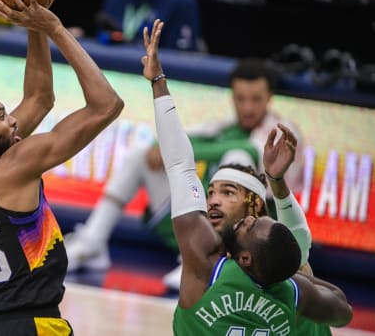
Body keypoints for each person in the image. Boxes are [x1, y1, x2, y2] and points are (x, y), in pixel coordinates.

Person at [142, 19, 353, 334]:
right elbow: (342, 310)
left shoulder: (205, 263)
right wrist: (295, 272)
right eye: (213, 191)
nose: (214, 201)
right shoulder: (298, 293)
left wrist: (158, 81)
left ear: (243, 258)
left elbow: (181, 165)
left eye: (247, 223)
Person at [0, 0, 124, 335]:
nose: (12, 119)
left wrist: (31, 22)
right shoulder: (14, 165)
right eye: (1, 115)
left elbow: (39, 98)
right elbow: (106, 105)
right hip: (30, 325)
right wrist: (54, 28)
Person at [65, 58, 304, 288]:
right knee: (141, 153)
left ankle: (205, 259)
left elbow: (248, 150)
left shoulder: (283, 130)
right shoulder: (224, 126)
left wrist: (180, 150)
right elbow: (174, 139)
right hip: (198, 221)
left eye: (256, 99)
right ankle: (92, 242)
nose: (248, 107)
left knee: (236, 159)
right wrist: (161, 148)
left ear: (270, 97)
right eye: (241, 99)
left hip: (256, 233)